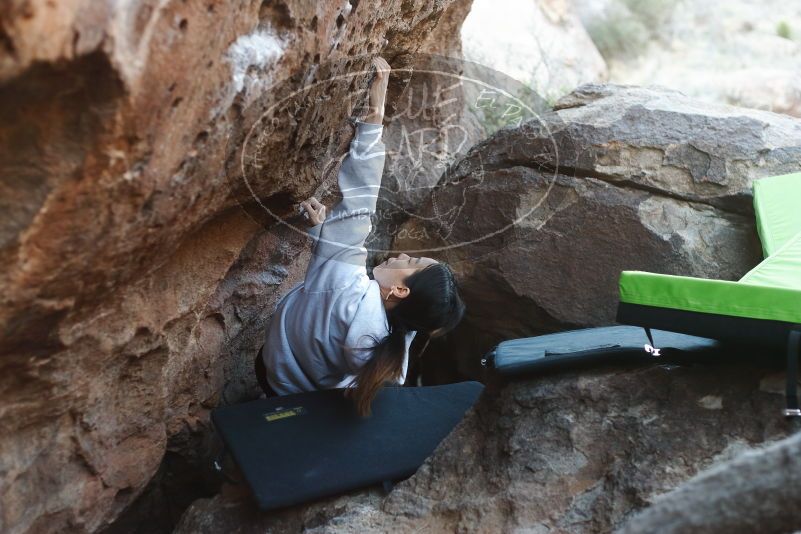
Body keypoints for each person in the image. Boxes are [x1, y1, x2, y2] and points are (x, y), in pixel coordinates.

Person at [254, 57, 465, 417]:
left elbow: (360, 202)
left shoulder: (348, 288)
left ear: (400, 291)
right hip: (301, 396)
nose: (401, 256)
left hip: (271, 368)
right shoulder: (394, 343)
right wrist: (324, 235)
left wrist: (375, 110)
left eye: (411, 262)